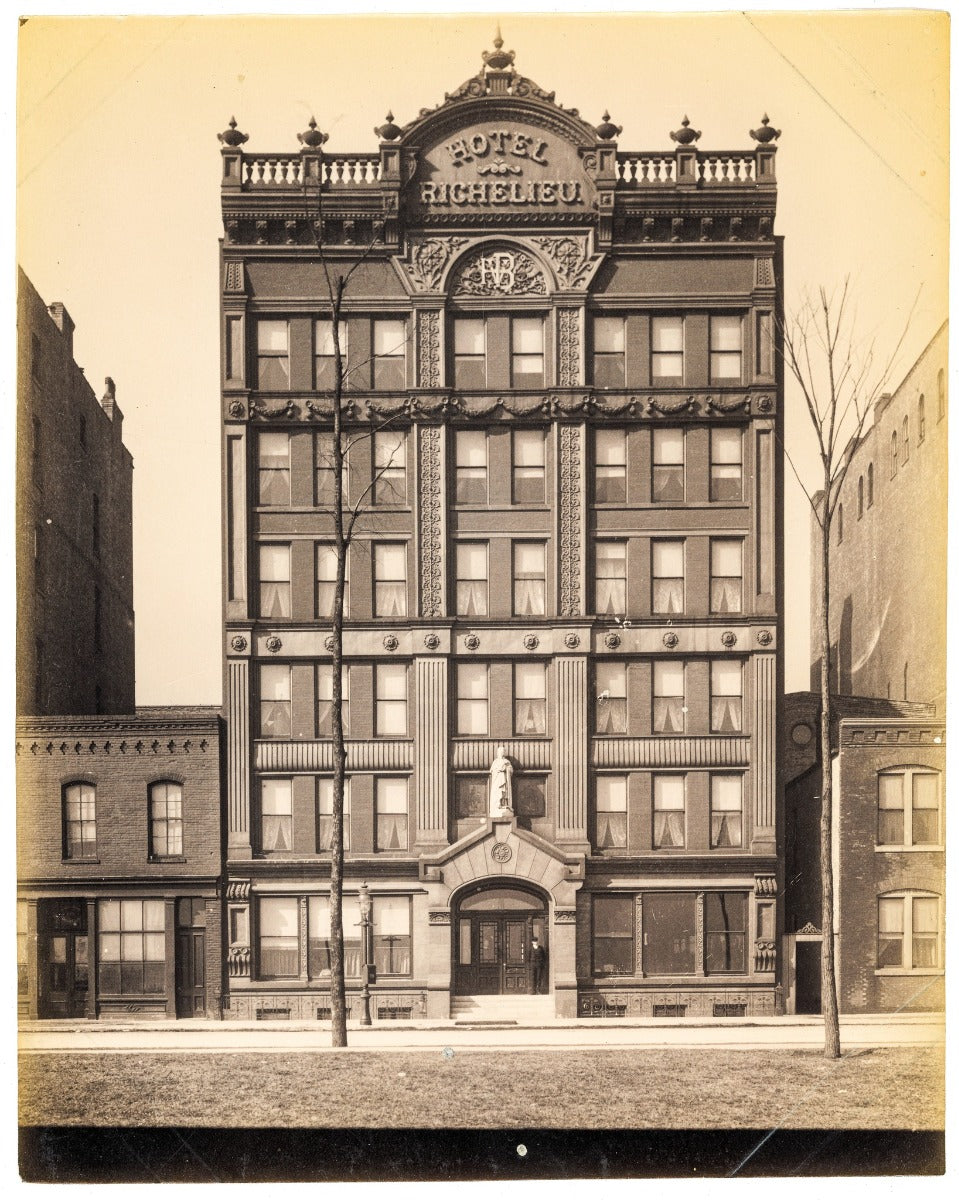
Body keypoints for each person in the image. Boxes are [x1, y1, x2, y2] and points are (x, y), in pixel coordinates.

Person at [488, 745, 513, 814]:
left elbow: (511, 770)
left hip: (505, 779)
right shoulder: (495, 762)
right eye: (500, 751)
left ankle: (504, 804)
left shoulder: (507, 761)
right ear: (498, 753)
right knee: (498, 792)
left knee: (504, 792)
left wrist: (507, 768)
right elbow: (492, 771)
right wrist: (499, 769)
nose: (502, 753)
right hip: (498, 780)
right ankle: (497, 805)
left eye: (503, 751)